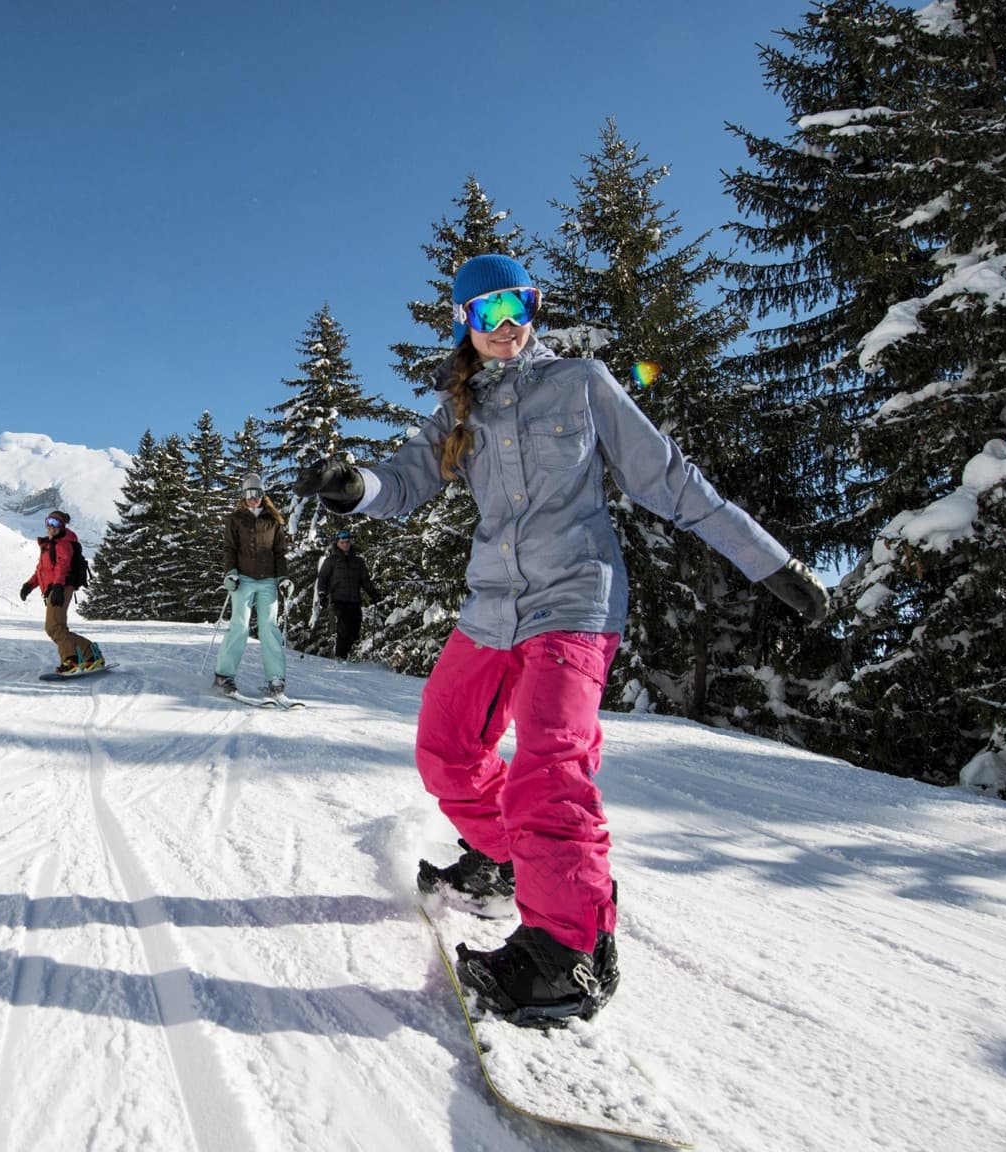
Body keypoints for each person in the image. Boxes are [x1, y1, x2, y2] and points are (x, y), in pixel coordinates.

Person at [296, 253, 828, 1026]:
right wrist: (356, 489)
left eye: (519, 307)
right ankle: (506, 862)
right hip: (491, 606)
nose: (507, 327)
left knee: (549, 761)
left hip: (574, 599)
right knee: (446, 749)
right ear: (465, 325)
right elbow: (405, 479)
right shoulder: (458, 409)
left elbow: (669, 480)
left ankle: (569, 952)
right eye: (488, 315)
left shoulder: (581, 382)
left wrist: (768, 560)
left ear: (535, 308)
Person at [213, 474, 291, 700]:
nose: (252, 499)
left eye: (256, 494)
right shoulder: (236, 519)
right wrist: (230, 573)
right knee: (239, 625)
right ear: (243, 496)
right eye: (248, 494)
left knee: (269, 628)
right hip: (244, 579)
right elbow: (229, 549)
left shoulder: (273, 521)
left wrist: (283, 578)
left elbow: (280, 553)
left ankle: (276, 678)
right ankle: (224, 675)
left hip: (268, 580)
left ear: (262, 495)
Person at [21, 510, 103, 673]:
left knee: (54, 628)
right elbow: (41, 570)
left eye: (56, 523)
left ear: (62, 526)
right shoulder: (48, 546)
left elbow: (62, 566)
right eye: (49, 522)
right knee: (57, 628)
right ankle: (91, 655)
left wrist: (58, 587)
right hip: (55, 589)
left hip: (61, 588)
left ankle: (71, 660)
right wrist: (29, 585)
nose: (51, 526)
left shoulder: (63, 544)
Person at [317, 529, 380, 660]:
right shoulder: (331, 561)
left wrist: (373, 593)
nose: (345, 544)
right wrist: (322, 594)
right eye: (342, 542)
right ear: (337, 543)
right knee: (343, 628)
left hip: (355, 600)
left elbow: (365, 580)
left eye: (347, 542)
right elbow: (322, 578)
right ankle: (340, 657)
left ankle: (345, 654)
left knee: (355, 630)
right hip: (339, 599)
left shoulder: (358, 561)